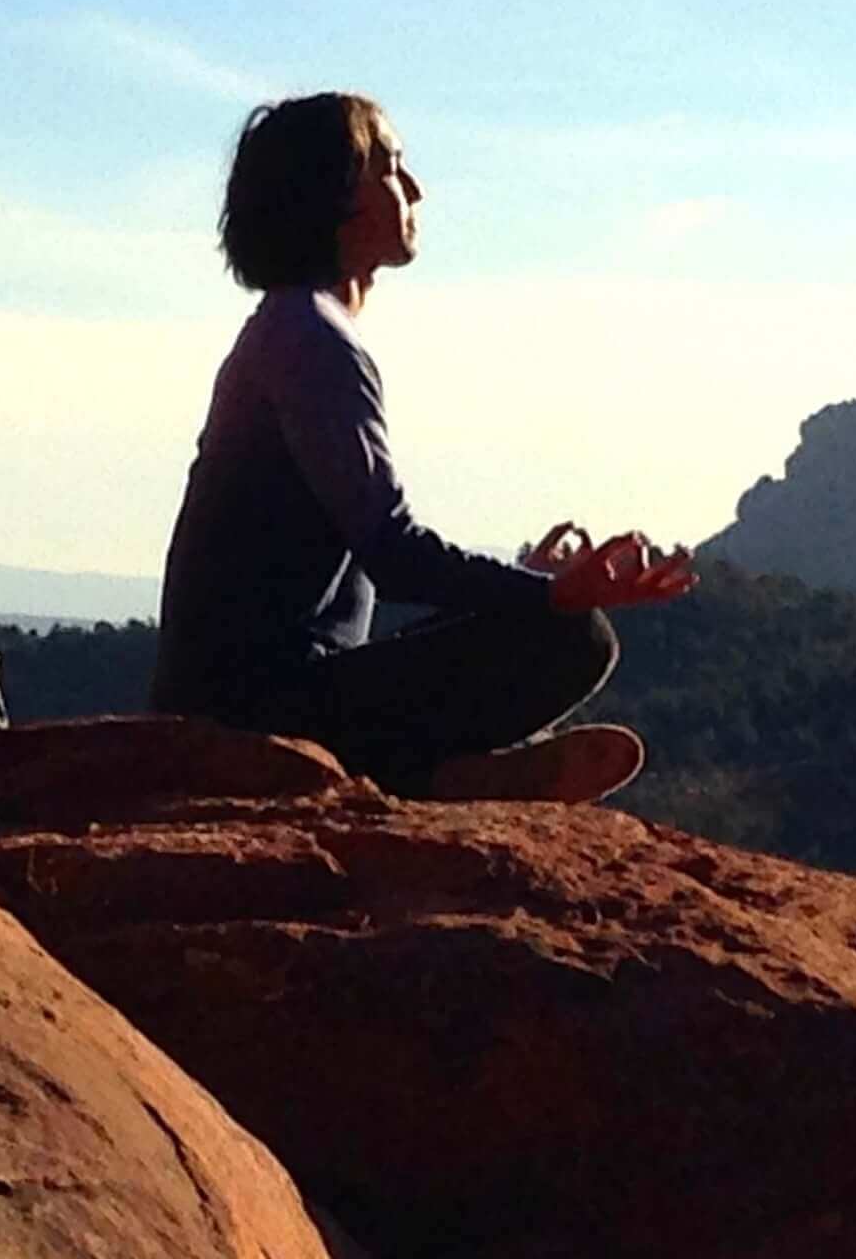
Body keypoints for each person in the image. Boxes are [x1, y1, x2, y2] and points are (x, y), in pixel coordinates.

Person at [147, 92, 695, 802]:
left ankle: (444, 773)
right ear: (338, 195)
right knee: (573, 638)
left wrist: (516, 590)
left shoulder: (293, 329)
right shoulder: (308, 339)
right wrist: (552, 593)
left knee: (537, 617)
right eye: (392, 167)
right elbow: (396, 552)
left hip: (257, 693)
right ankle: (432, 778)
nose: (415, 189)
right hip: (257, 713)